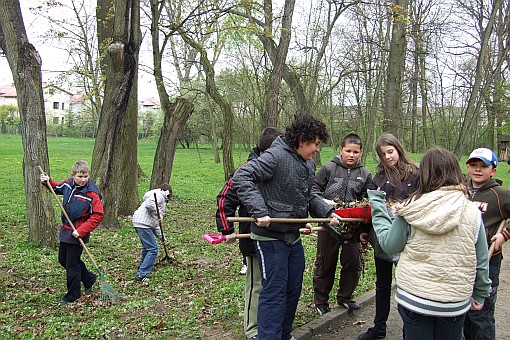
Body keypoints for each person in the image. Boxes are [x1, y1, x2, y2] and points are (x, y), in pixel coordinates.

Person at [232, 114, 341, 340]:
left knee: (292, 289)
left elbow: (309, 194)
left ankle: (283, 334)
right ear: (303, 141)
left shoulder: (307, 164)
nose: (318, 150)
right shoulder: (275, 156)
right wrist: (259, 210)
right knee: (274, 292)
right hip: (270, 237)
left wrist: (327, 212)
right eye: (316, 144)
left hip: (292, 236)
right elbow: (243, 177)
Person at [367, 146, 491, 340]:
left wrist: (377, 206)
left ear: (424, 174)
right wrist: (481, 293)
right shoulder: (473, 211)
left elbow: (390, 246)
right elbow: (481, 260)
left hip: (415, 299)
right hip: (454, 302)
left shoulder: (411, 208)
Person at [215, 126, 283, 340]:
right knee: (257, 285)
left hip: (278, 237)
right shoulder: (247, 169)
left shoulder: (281, 167)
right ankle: (252, 329)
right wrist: (227, 230)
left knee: (274, 283)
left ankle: (272, 323)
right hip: (253, 238)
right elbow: (224, 199)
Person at [358, 133, 419, 340]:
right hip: (382, 235)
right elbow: (373, 207)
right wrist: (365, 230)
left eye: (390, 151)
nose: (388, 157)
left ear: (398, 149)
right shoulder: (379, 177)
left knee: (407, 283)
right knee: (382, 283)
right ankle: (379, 327)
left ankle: (409, 329)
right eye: (383, 154)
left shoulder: (415, 172)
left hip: (407, 237)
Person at [312, 133, 372, 315]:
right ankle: (321, 301)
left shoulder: (365, 174)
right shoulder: (328, 168)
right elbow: (314, 190)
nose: (351, 155)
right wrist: (325, 206)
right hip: (329, 222)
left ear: (361, 152)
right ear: (341, 150)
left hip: (352, 226)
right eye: (348, 151)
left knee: (352, 262)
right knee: (325, 261)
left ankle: (345, 297)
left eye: (355, 152)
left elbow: (367, 199)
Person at [40, 160, 104, 305]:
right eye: (80, 176)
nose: (83, 179)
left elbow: (97, 215)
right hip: (66, 230)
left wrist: (81, 231)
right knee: (63, 260)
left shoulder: (92, 193)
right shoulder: (68, 183)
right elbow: (56, 188)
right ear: (73, 175)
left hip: (78, 233)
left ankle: (73, 294)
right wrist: (46, 181)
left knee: (72, 265)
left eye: (86, 176)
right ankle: (89, 279)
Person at [464, 147, 510, 340]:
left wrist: (505, 234)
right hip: (462, 261)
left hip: (488, 262)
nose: (478, 169)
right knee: (464, 312)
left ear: (493, 170)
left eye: (483, 166)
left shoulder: (500, 194)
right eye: (474, 165)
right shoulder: (460, 191)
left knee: (481, 313)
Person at [132, 183, 171, 283]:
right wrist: (157, 213)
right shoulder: (160, 195)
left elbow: (156, 225)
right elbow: (149, 205)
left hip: (140, 223)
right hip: (142, 224)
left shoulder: (158, 196)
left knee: (147, 248)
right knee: (153, 249)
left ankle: (142, 267)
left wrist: (163, 239)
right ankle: (142, 273)